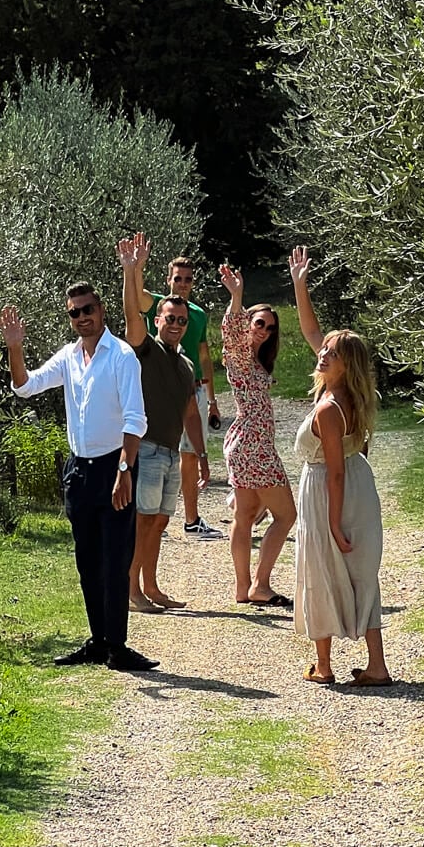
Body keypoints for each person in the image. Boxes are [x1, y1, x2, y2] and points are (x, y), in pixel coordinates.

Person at [0, 282, 157, 674]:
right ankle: (98, 640)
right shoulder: (69, 357)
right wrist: (14, 346)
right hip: (79, 471)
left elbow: (135, 419)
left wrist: (124, 470)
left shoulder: (121, 356)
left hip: (113, 467)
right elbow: (24, 386)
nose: (82, 318)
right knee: (88, 560)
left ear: (101, 310)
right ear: (69, 318)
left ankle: (118, 646)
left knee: (115, 558)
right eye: (74, 313)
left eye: (87, 309)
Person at [288, 246, 391, 686]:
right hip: (357, 483)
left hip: (330, 489)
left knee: (321, 567)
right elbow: (312, 330)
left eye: (331, 352)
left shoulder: (330, 407)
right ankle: (376, 665)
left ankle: (325, 665)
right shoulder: (350, 395)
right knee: (361, 574)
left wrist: (331, 523)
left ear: (345, 364)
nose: (322, 354)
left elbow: (331, 471)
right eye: (323, 350)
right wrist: (299, 285)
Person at [118, 234, 211, 610]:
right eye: (169, 319)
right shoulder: (146, 350)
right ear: (157, 320)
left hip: (172, 453)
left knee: (159, 522)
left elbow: (191, 411)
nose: (175, 324)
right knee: (142, 523)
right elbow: (130, 314)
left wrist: (201, 454)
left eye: (181, 321)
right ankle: (131, 589)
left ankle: (151, 586)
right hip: (149, 449)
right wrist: (131, 270)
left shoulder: (185, 364)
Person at [218, 264, 296, 609]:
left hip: (247, 443)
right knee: (286, 515)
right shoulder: (239, 355)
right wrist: (237, 297)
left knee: (245, 515)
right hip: (253, 445)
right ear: (249, 323)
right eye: (259, 323)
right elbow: (229, 332)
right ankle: (260, 585)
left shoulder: (255, 360)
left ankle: (244, 587)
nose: (264, 330)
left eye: (270, 327)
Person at [136, 253, 221, 535]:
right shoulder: (156, 306)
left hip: (191, 385)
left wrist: (212, 398)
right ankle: (149, 526)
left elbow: (204, 355)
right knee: (159, 453)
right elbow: (135, 296)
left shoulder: (196, 314)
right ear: (168, 279)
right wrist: (135, 267)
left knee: (190, 455)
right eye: (177, 278)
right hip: (160, 392)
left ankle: (191, 520)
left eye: (187, 279)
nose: (182, 284)